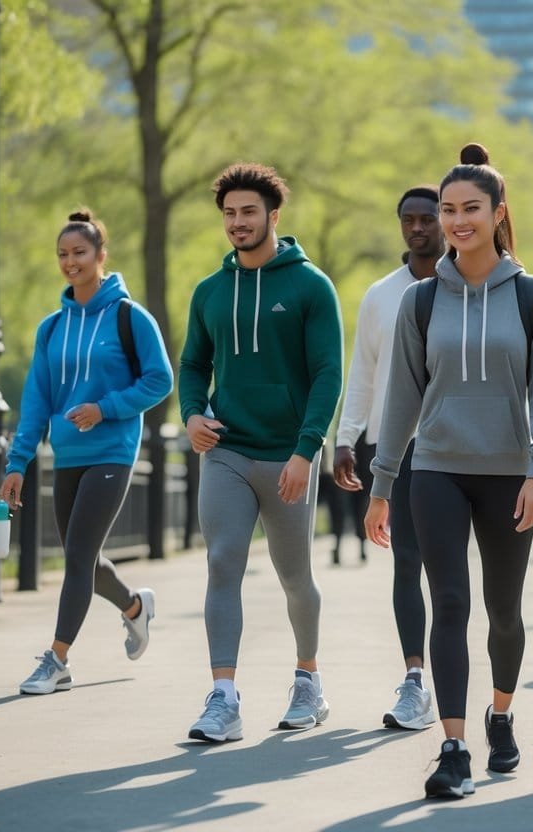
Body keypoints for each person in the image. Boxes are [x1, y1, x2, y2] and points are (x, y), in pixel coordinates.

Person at [364, 144, 533, 799]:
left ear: (497, 212)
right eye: (446, 210)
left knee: (503, 611)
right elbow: (399, 399)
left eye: (469, 208)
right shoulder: (422, 303)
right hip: (438, 469)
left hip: (509, 475)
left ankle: (498, 713)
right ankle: (452, 749)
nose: (455, 221)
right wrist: (383, 484)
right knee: (448, 603)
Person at [179, 163, 343, 742]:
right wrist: (193, 413)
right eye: (229, 213)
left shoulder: (309, 286)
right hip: (227, 449)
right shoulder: (210, 291)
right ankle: (223, 697)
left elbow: (328, 373)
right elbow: (195, 364)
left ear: (273, 216)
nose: (237, 223)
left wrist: (308, 449)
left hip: (288, 457)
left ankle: (308, 679)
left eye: (248, 212)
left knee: (294, 574)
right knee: (223, 562)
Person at [2, 209, 173, 695]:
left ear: (101, 256)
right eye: (62, 254)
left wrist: (105, 408)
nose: (70, 262)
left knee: (77, 554)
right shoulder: (51, 328)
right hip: (69, 454)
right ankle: (136, 607)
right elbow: (37, 399)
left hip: (112, 451)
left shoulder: (129, 316)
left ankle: (56, 660)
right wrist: (18, 462)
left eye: (79, 253)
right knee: (86, 559)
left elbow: (160, 380)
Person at [334, 185, 446, 731]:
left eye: (429, 218)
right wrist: (345, 438)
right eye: (409, 219)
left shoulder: (471, 287)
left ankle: (459, 681)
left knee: (450, 572)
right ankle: (415, 679)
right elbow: (363, 374)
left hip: (457, 448)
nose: (418, 227)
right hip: (393, 447)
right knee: (406, 561)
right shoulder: (381, 294)